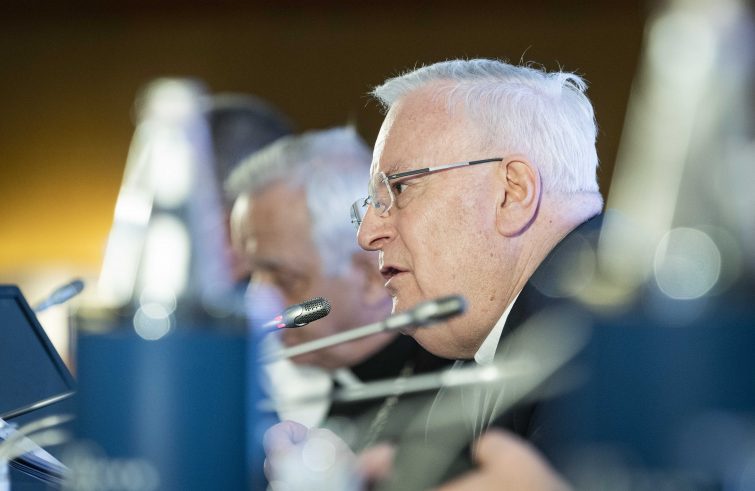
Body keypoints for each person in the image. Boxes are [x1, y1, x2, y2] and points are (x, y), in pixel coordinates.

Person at [265, 58, 603, 490]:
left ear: (512, 192)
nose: (367, 234)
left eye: (399, 187)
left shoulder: (601, 345)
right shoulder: (518, 334)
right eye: (371, 203)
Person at [225, 127, 449, 432]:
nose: (258, 304)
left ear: (371, 279)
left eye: (285, 280)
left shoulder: (452, 395)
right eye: (251, 275)